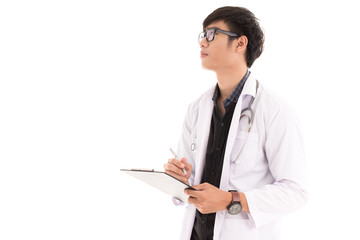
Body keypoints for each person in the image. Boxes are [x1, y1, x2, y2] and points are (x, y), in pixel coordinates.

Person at [164, 6, 308, 240]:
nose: (202, 43)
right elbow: (187, 181)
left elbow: (296, 191)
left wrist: (231, 200)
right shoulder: (196, 108)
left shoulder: (275, 111)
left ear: (240, 44)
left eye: (212, 34)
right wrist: (179, 177)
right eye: (202, 35)